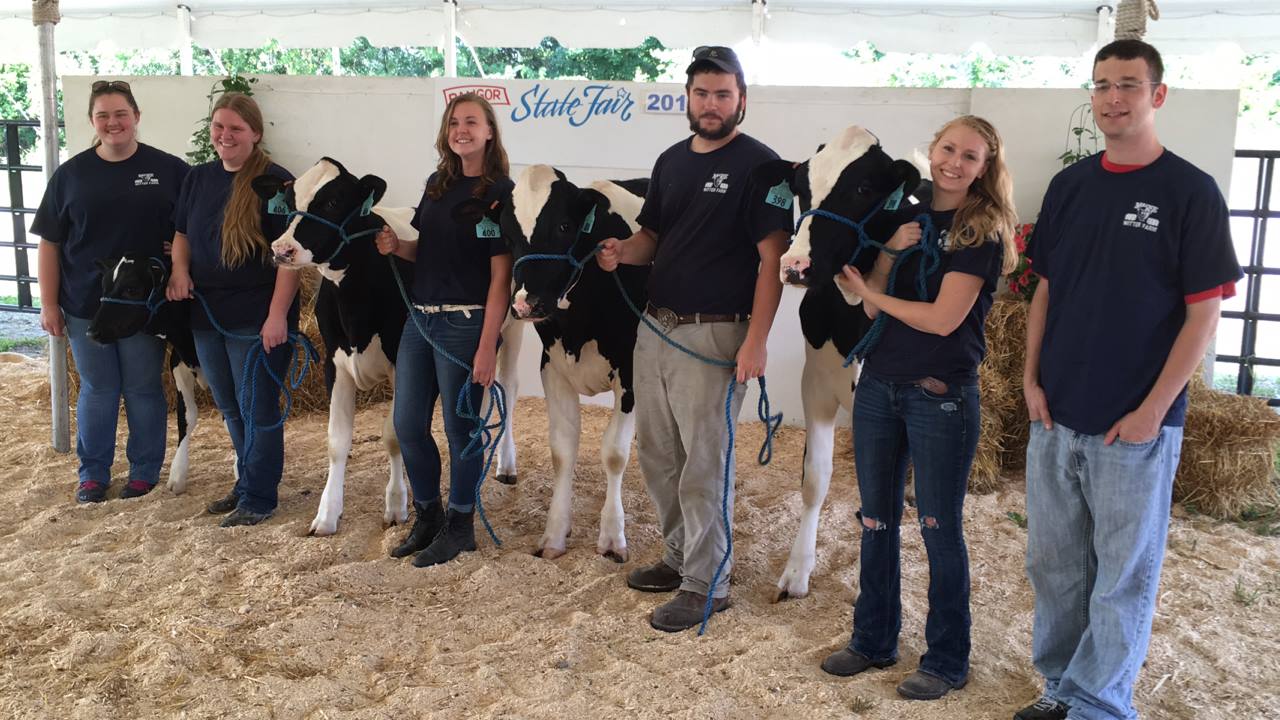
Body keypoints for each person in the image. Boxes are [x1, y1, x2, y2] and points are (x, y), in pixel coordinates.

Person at [1016, 40, 1242, 720]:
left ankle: (1100, 704)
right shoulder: (1071, 186)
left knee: (1121, 578)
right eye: (1102, 85)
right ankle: (1060, 689)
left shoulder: (1189, 192)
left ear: (1157, 95)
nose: (1114, 97)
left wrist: (1152, 412)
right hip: (1056, 414)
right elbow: (1045, 290)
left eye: (1129, 85)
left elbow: (1204, 314)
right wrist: (1030, 381)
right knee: (1054, 569)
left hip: (1134, 427)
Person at [818, 115, 1017, 700]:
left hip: (941, 395)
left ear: (986, 167)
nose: (954, 163)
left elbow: (942, 319)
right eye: (948, 149)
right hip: (880, 386)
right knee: (876, 519)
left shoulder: (982, 232)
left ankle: (947, 659)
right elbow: (875, 312)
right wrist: (886, 252)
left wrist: (871, 292)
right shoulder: (908, 215)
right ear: (932, 150)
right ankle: (873, 639)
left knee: (938, 526)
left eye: (970, 156)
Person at [596, 46, 791, 632]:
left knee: (705, 465)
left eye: (723, 94)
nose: (712, 104)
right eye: (702, 93)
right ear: (688, 98)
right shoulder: (671, 161)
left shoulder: (763, 167)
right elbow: (653, 236)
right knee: (658, 456)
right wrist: (621, 252)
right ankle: (681, 557)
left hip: (715, 334)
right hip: (656, 327)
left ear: (742, 101)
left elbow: (772, 260)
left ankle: (709, 583)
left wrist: (756, 341)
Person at [32, 80, 189, 504]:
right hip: (86, 303)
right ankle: (93, 474)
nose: (113, 122)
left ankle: (143, 471)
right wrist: (49, 303)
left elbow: (191, 226)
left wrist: (177, 257)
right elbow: (50, 243)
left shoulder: (169, 170)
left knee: (142, 386)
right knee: (98, 388)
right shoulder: (71, 176)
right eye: (103, 115)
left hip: (142, 307)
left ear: (136, 116)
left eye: (120, 113)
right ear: (92, 122)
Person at [375, 93, 514, 567]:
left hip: (466, 321)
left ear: (490, 132)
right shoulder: (437, 183)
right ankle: (428, 516)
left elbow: (502, 275)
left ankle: (460, 526)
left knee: (462, 430)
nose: (462, 130)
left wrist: (488, 345)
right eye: (455, 122)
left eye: (472, 122)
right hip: (421, 317)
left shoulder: (499, 192)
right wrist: (398, 246)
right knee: (408, 423)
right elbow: (425, 251)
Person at [165, 92, 299, 528]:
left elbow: (289, 256)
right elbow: (182, 233)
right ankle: (247, 483)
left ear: (256, 134)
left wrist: (277, 316)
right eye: (219, 127)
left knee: (257, 406)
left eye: (236, 129)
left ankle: (261, 496)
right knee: (229, 404)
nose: (226, 136)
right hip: (206, 311)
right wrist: (179, 272)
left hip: (256, 315)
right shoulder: (198, 178)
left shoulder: (277, 184)